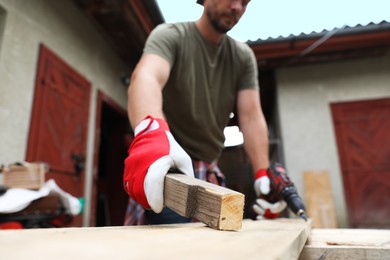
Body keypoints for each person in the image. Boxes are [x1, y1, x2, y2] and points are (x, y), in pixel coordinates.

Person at [123, 0, 287, 225]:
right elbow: (146, 77)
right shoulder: (170, 36)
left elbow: (251, 117)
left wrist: (262, 173)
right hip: (169, 168)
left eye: (245, 3)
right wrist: (151, 133)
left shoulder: (242, 57)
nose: (237, 7)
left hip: (209, 168)